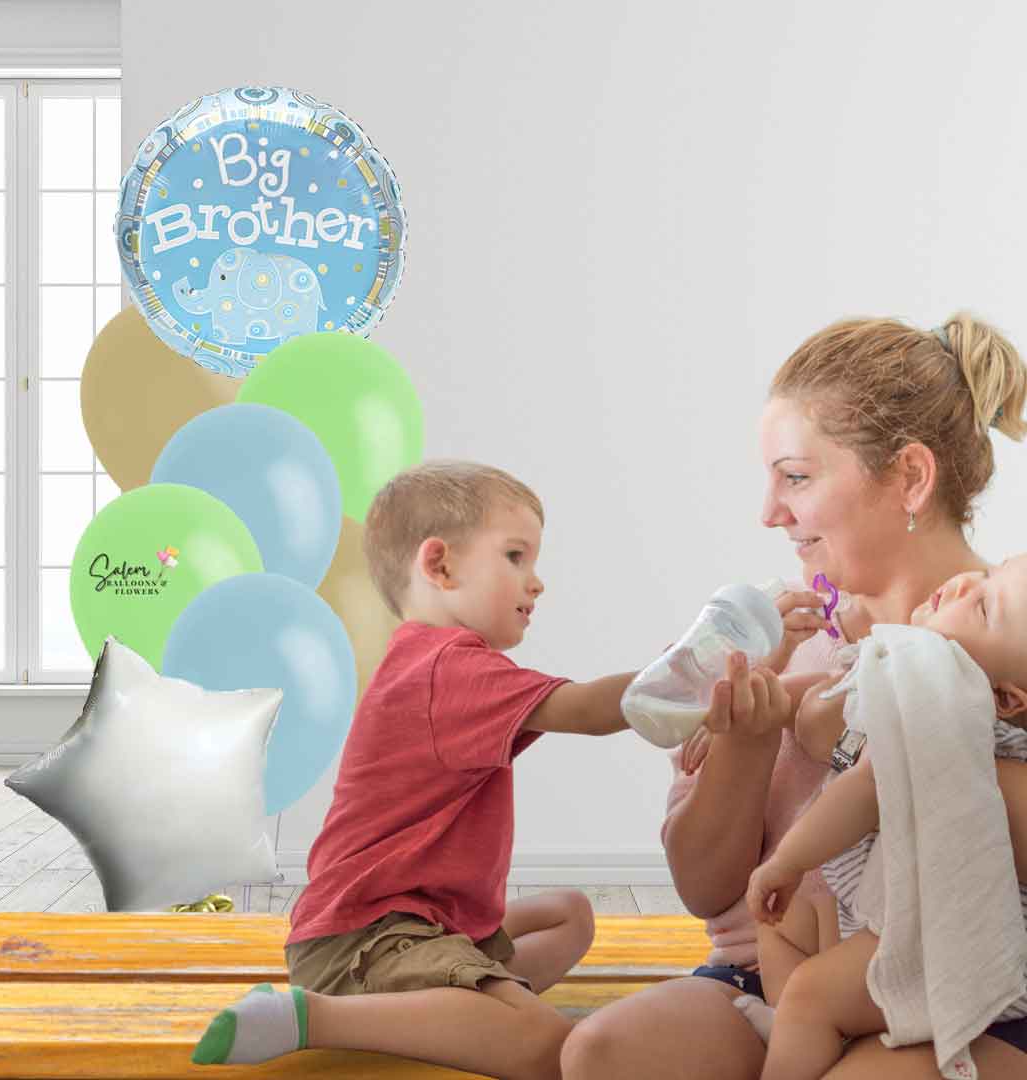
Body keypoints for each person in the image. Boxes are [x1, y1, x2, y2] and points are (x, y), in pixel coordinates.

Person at [560, 313, 1027, 1080]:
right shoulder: (775, 640)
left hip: (963, 985)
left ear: (909, 477)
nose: (769, 512)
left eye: (797, 477)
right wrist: (746, 744)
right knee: (600, 1053)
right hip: (775, 978)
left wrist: (914, 739)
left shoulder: (1009, 640)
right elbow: (705, 888)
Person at [192, 460, 654, 1080]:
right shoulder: (448, 669)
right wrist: (697, 664)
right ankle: (312, 1018)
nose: (536, 582)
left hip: (396, 922)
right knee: (549, 1048)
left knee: (571, 914)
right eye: (516, 557)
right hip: (364, 938)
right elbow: (594, 709)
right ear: (439, 565)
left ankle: (452, 1007)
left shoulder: (425, 659)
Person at [742, 554, 1027, 1080]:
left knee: (810, 991)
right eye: (983, 579)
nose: (963, 582)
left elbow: (863, 791)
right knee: (784, 926)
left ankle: (800, 1035)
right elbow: (822, 722)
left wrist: (786, 860)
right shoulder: (915, 681)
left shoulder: (943, 717)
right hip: (884, 905)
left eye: (983, 606)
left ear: (1007, 698)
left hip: (948, 939)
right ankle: (802, 1029)